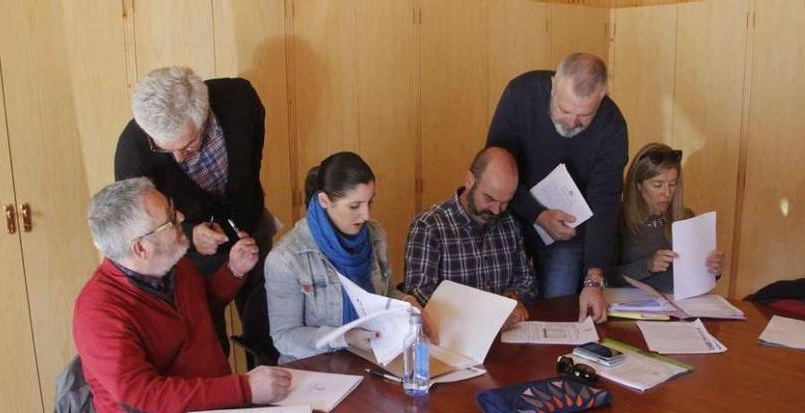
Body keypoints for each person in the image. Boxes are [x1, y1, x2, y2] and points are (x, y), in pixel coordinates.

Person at [73, 178, 291, 413]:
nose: (180, 219)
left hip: (212, 407)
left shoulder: (174, 264)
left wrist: (233, 272)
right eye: (169, 219)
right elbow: (146, 403)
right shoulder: (99, 311)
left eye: (173, 209)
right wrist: (243, 387)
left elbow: (200, 307)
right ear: (139, 247)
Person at [115, 66, 276, 355]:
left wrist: (248, 194)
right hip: (189, 252)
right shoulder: (133, 151)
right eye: (165, 149)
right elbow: (142, 224)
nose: (177, 157)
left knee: (265, 321)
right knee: (208, 340)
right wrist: (189, 232)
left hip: (250, 224)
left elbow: (254, 156)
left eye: (188, 145)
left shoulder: (240, 100)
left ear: (203, 118)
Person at [487, 52, 628, 323]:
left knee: (558, 309)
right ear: (553, 87)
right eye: (564, 110)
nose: (572, 122)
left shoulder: (612, 125)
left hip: (567, 230)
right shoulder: (521, 94)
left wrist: (594, 280)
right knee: (501, 309)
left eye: (585, 115)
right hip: (509, 213)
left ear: (601, 99)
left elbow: (606, 203)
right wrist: (537, 214)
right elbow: (496, 166)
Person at [264, 152, 423, 362]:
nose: (365, 215)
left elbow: (385, 293)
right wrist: (345, 337)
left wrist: (405, 301)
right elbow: (285, 337)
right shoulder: (286, 258)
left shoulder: (375, 234)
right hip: (315, 369)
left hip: (372, 355)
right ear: (324, 200)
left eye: (370, 203)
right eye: (354, 206)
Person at [403, 146, 536, 329]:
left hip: (505, 334)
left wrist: (512, 299)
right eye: (489, 199)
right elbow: (419, 295)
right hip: (454, 334)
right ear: (469, 181)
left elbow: (527, 280)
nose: (497, 210)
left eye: (505, 202)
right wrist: (484, 314)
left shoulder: (508, 223)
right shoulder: (430, 225)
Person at [615, 143, 726, 291]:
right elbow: (604, 277)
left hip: (681, 304)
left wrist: (714, 270)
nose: (667, 193)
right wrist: (647, 265)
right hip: (635, 307)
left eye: (672, 184)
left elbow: (697, 276)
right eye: (657, 185)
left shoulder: (686, 217)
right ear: (638, 185)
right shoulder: (618, 220)